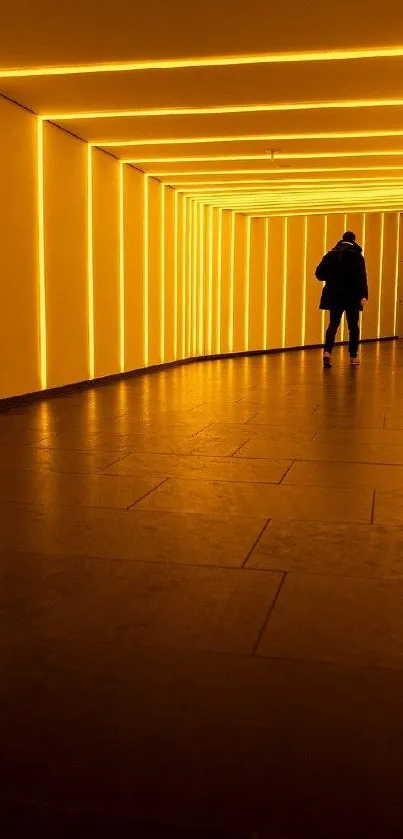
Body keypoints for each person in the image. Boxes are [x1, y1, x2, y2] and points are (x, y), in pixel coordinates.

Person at [315, 231, 368, 369]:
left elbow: (319, 274)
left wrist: (332, 277)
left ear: (342, 239)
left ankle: (327, 353)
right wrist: (364, 295)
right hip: (352, 295)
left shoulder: (331, 254)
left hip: (335, 294)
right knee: (353, 326)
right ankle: (353, 356)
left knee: (333, 324)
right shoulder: (357, 256)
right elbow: (363, 277)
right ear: (353, 240)